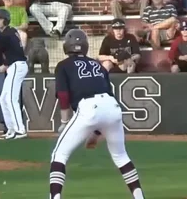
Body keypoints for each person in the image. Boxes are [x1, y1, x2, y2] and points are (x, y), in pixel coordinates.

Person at [49, 29, 145, 199]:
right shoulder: (96, 64)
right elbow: (105, 101)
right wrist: (95, 134)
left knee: (59, 155)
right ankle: (139, 197)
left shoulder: (63, 65)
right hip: (112, 107)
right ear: (85, 46)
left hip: (89, 107)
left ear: (66, 46)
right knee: (121, 156)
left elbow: (63, 96)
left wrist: (64, 121)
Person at [0, 8, 29, 140]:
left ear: (6, 20)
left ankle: (20, 130)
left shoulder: (6, 34)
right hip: (14, 65)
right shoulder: (11, 31)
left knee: (10, 99)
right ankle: (11, 129)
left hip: (17, 66)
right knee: (3, 98)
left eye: (0, 19)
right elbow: (4, 45)